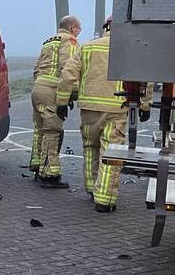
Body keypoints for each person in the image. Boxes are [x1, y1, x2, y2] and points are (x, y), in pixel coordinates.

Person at [56, 17, 150, 213]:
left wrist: (62, 102)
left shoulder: (88, 47)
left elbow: (67, 74)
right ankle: (104, 200)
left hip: (89, 108)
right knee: (111, 153)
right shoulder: (131, 50)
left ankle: (91, 188)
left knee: (90, 147)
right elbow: (144, 80)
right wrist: (145, 106)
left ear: (106, 27)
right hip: (116, 109)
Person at [30, 15, 81, 188]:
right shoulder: (70, 41)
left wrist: (42, 83)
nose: (79, 33)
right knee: (53, 131)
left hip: (38, 89)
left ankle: (38, 165)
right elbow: (69, 70)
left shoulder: (48, 41)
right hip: (52, 91)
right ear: (72, 27)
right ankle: (49, 175)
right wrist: (69, 96)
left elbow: (37, 68)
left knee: (40, 129)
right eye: (79, 29)